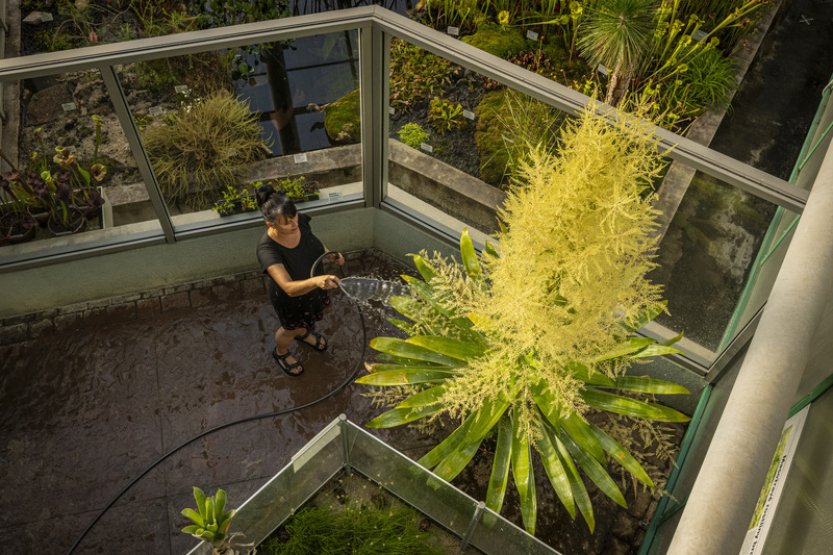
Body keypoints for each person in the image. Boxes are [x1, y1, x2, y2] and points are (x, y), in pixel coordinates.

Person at [256, 184, 344, 376]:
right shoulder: (267, 249)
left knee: (303, 323)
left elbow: (313, 240)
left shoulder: (300, 221)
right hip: (292, 300)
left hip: (314, 288)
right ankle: (281, 352)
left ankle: (302, 332)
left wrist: (329, 254)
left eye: (294, 216)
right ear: (270, 225)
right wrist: (316, 281)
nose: (294, 224)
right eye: (286, 222)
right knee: (289, 329)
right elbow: (288, 287)